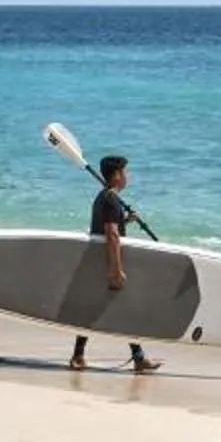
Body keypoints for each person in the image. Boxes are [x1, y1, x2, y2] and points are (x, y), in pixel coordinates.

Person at [70, 154, 160, 374]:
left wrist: (125, 220)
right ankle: (136, 358)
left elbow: (110, 227)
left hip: (98, 261)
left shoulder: (106, 197)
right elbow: (111, 235)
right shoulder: (110, 199)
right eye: (125, 172)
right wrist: (116, 269)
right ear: (117, 175)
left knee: (100, 308)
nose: (128, 176)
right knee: (118, 308)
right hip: (106, 263)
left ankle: (79, 356)